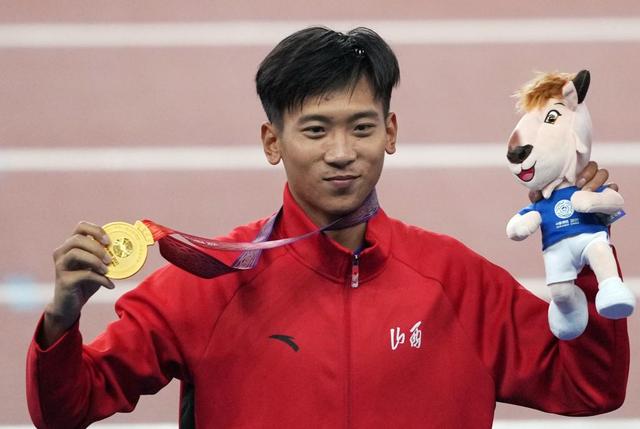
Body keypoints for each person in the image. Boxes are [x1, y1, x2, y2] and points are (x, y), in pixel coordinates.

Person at [27, 27, 628, 429]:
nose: (341, 153)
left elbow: (590, 387)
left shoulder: (457, 283)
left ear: (390, 133)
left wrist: (583, 253)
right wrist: (62, 319)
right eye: (315, 130)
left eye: (361, 128)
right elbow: (69, 407)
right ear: (272, 142)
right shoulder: (208, 282)